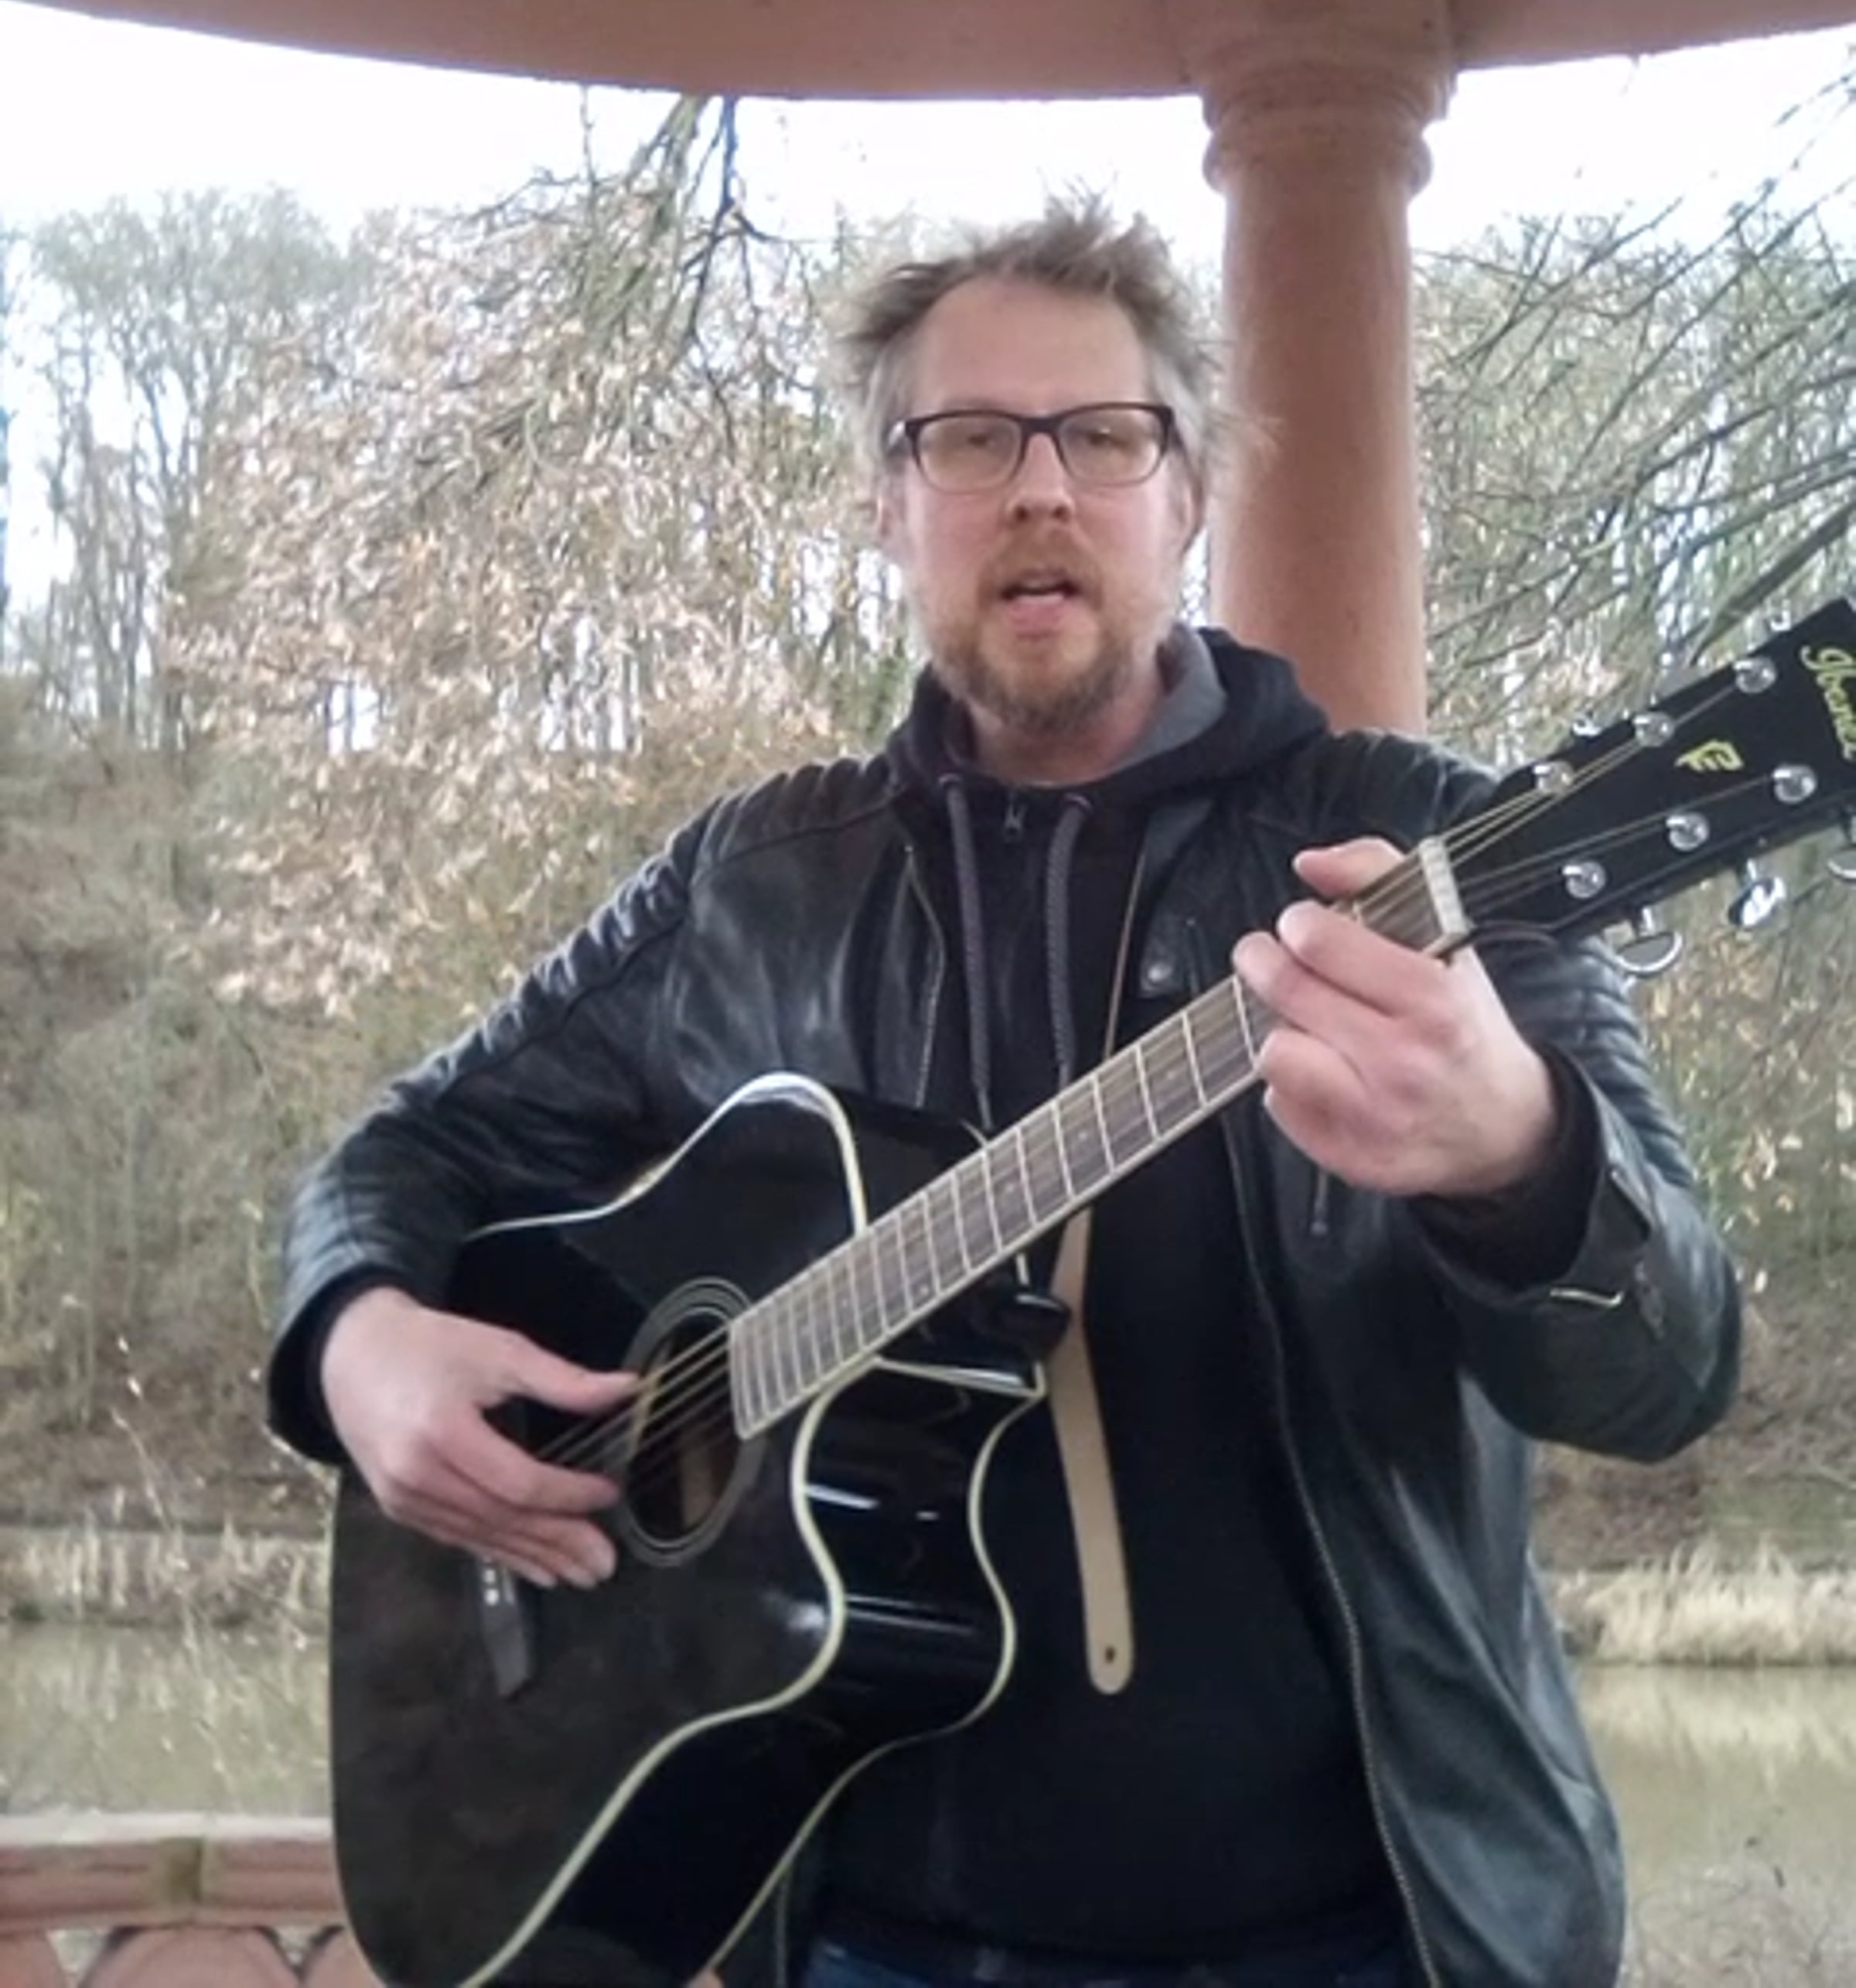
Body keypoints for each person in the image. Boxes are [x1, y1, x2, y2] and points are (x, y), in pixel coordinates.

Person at [268, 200, 1740, 1988]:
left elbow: (1672, 1368)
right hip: (866, 1943)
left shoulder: (1426, 849)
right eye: (967, 439)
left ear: (1188, 492)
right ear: (886, 504)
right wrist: (357, 1337)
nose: (1041, 489)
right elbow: (407, 1150)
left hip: (1380, 1939)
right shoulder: (755, 886)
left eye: (1105, 435)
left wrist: (1521, 1155)